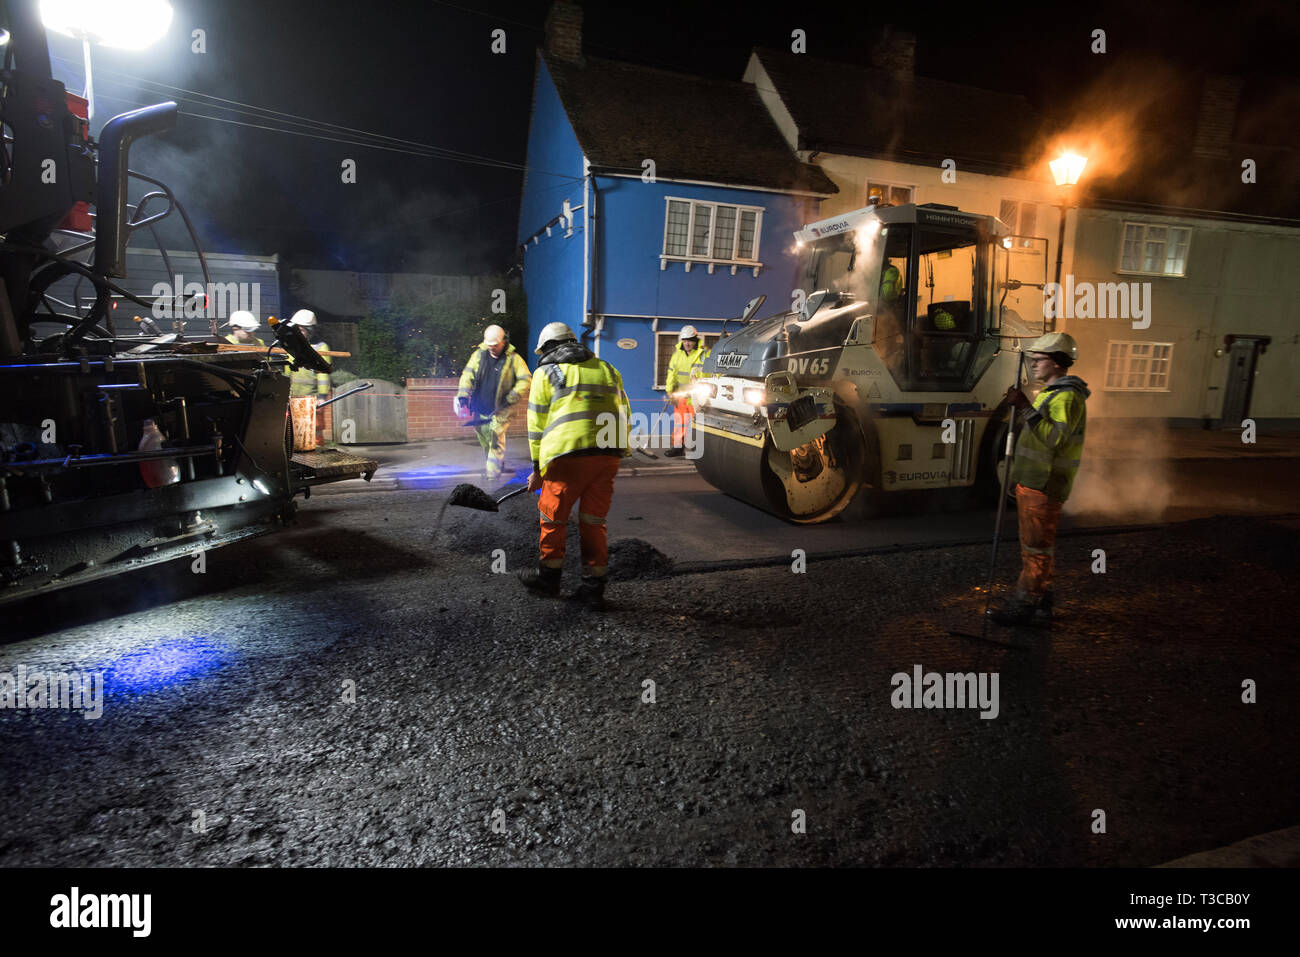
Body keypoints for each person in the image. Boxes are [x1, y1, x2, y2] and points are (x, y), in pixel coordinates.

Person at [518, 321, 631, 610]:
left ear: (549, 348)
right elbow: (624, 411)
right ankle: (593, 589)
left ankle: (549, 580)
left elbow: (536, 424)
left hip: (567, 456)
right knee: (594, 521)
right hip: (607, 455)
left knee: (553, 517)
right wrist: (620, 450)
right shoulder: (607, 369)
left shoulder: (546, 372)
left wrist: (537, 470)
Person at [989, 332, 1090, 625]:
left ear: (1058, 363)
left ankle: (1023, 605)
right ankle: (1044, 602)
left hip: (1045, 485)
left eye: (1039, 360)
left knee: (1035, 550)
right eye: (1032, 359)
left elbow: (1054, 439)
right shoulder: (1052, 393)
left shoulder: (1067, 397)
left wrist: (1023, 406)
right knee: (1039, 548)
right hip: (1035, 482)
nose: (1033, 365)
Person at [455, 324, 532, 481]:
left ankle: (492, 477)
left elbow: (526, 379)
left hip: (500, 410)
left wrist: (512, 396)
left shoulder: (513, 359)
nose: (492, 348)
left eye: (495, 345)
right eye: (489, 345)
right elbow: (467, 374)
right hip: (480, 408)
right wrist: (462, 394)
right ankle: (496, 463)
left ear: (503, 341)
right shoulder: (479, 355)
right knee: (484, 437)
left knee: (495, 440)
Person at [288, 309, 332, 447]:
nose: (298, 332)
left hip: (313, 399)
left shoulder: (320, 347)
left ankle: (317, 458)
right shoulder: (290, 347)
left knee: (315, 430)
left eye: (301, 329)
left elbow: (323, 375)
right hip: (293, 398)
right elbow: (285, 374)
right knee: (294, 431)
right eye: (297, 329)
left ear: (310, 330)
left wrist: (322, 396)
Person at [663, 325, 705, 456]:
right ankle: (677, 447)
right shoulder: (677, 355)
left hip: (697, 397)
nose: (687, 343)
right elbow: (671, 374)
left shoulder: (703, 354)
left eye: (690, 340)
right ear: (682, 340)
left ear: (695, 340)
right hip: (681, 397)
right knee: (679, 423)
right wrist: (670, 391)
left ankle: (697, 448)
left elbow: (710, 374)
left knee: (697, 424)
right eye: (685, 340)